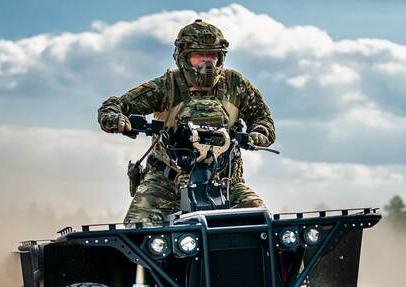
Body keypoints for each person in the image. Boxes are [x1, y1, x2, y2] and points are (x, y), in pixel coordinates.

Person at [98, 19, 276, 224]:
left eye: (212, 55)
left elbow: (262, 117)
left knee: (264, 226)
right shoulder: (167, 85)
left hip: (225, 182)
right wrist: (115, 118)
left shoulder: (235, 84)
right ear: (182, 57)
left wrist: (258, 134)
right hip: (166, 184)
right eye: (199, 56)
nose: (207, 63)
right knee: (137, 231)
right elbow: (117, 104)